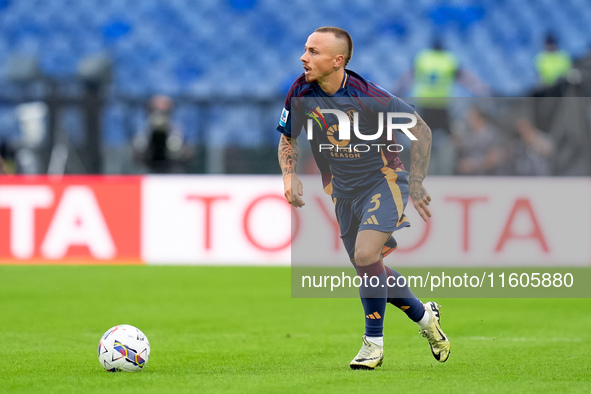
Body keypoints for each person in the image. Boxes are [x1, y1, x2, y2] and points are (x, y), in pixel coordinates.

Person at [277, 26, 450, 370]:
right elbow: (287, 137)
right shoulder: (300, 91)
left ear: (337, 61)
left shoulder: (368, 96)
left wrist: (415, 184)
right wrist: (289, 174)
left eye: (313, 51)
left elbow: (421, 130)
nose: (303, 57)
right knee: (371, 269)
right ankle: (425, 316)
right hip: (342, 191)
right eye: (305, 49)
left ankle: (373, 344)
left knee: (366, 253)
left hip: (383, 182)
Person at [394, 38, 490, 175]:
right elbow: (467, 79)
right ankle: (449, 171)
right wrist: (484, 91)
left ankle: (421, 172)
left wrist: (395, 93)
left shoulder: (422, 58)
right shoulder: (449, 60)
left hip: (425, 105)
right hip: (441, 105)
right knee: (449, 138)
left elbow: (407, 79)